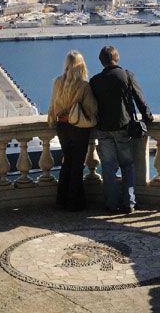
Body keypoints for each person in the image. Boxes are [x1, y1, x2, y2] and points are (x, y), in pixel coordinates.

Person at [89, 45, 153, 213]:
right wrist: (148, 118)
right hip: (123, 127)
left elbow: (91, 107)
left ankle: (111, 204)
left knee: (108, 168)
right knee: (127, 165)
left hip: (102, 129)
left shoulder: (94, 81)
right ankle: (129, 203)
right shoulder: (126, 75)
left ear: (101, 61)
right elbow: (140, 99)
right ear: (117, 58)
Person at [46, 51, 98, 211]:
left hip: (61, 127)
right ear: (81, 65)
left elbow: (52, 106)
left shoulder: (57, 82)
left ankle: (62, 199)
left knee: (67, 161)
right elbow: (92, 109)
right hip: (79, 128)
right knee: (77, 165)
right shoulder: (84, 85)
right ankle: (74, 202)